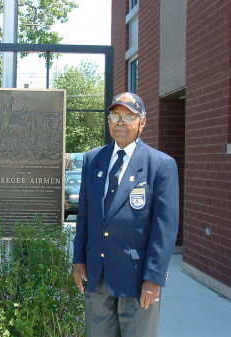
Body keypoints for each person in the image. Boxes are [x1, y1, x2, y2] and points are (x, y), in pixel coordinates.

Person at [72, 92, 179, 337]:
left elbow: (164, 228)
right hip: (97, 275)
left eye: (128, 116)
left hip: (137, 279)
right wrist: (78, 260)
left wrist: (155, 278)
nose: (120, 122)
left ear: (142, 122)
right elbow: (85, 216)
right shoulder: (93, 159)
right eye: (115, 115)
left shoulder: (161, 165)